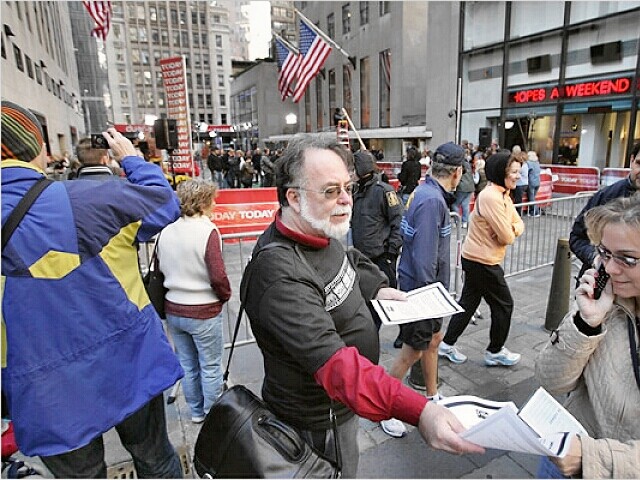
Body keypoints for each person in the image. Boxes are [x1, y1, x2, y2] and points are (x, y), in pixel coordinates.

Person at [240, 135, 484, 478]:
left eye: (347, 187)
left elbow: (348, 259)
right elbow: (338, 367)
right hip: (314, 424)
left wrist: (379, 288)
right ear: (293, 198)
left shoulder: (313, 229)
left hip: (340, 411)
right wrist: (419, 411)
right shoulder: (279, 274)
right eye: (329, 191)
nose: (344, 200)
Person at [0, 101, 184, 478]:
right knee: (155, 459)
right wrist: (133, 159)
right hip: (126, 363)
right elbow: (165, 202)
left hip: (41, 389)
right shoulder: (89, 199)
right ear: (38, 148)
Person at [535, 195, 640, 479]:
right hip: (567, 452)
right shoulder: (605, 300)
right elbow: (552, 380)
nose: (610, 268)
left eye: (627, 259)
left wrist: (593, 458)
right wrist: (586, 323)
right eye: (605, 253)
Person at [381, 142, 465, 438]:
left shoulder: (426, 192)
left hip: (423, 287)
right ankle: (384, 408)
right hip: (423, 290)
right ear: (457, 172)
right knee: (412, 351)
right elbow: (425, 256)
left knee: (432, 341)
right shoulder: (433, 201)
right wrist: (433, 297)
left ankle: (432, 396)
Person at [439, 151, 525, 366]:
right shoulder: (491, 197)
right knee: (504, 304)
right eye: (514, 172)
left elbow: (518, 224)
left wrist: (511, 228)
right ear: (500, 172)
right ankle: (494, 351)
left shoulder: (503, 194)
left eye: (518, 172)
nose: (518, 176)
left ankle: (446, 344)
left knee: (469, 302)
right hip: (482, 260)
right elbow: (506, 236)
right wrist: (510, 230)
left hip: (480, 258)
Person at [157, 180, 231, 424]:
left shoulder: (166, 231)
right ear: (203, 202)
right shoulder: (206, 231)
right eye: (212, 198)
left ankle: (196, 412)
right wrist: (225, 295)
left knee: (187, 365)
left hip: (174, 307)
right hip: (203, 309)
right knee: (210, 366)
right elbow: (218, 274)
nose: (215, 203)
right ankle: (212, 414)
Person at [569, 141, 639, 281]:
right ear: (631, 160)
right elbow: (577, 237)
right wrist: (597, 259)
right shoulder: (607, 195)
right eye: (639, 163)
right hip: (599, 288)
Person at [351, 150, 403, 294]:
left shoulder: (384, 191)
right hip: (362, 257)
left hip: (382, 257)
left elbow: (398, 221)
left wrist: (391, 252)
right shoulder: (356, 191)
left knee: (387, 299)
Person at [451, 148, 474, 228]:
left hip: (461, 187)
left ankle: (458, 221)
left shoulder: (458, 164)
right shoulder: (468, 164)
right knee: (465, 205)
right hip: (470, 187)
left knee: (454, 204)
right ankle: (465, 222)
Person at [511, 146, 528, 216]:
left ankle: (517, 213)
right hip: (519, 184)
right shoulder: (522, 165)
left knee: (518, 200)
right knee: (516, 199)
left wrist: (517, 174)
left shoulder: (524, 166)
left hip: (521, 184)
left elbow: (524, 175)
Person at [526, 151, 541, 216]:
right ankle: (532, 211)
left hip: (531, 182)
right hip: (538, 182)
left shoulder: (528, 163)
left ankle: (535, 211)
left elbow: (527, 172)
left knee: (531, 198)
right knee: (533, 197)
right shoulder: (537, 163)